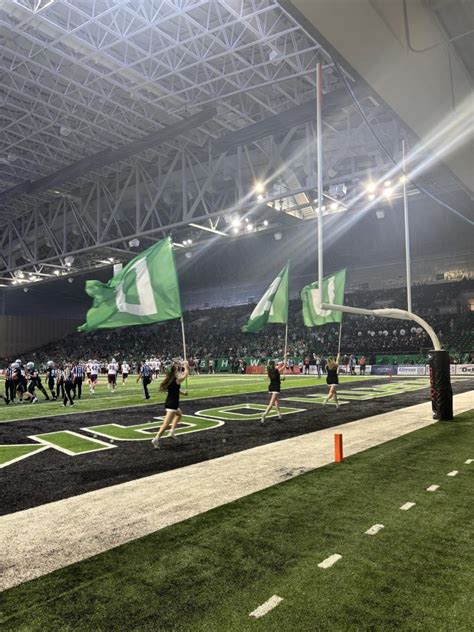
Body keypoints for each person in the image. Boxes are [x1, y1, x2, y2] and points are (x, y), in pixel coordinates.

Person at [152, 360, 189, 449]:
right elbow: (185, 374)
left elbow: (176, 390)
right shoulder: (176, 380)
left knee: (179, 415)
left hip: (171, 403)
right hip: (172, 404)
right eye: (176, 369)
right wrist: (186, 366)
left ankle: (172, 431)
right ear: (174, 371)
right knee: (166, 424)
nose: (177, 370)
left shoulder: (170, 380)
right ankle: (156, 439)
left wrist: (184, 393)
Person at [260, 359, 285, 424]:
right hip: (276, 388)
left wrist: (281, 379)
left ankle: (279, 415)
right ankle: (264, 415)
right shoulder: (276, 370)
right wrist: (285, 358)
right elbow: (284, 366)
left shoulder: (270, 371)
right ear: (273, 365)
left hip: (271, 387)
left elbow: (275, 379)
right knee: (271, 404)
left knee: (276, 402)